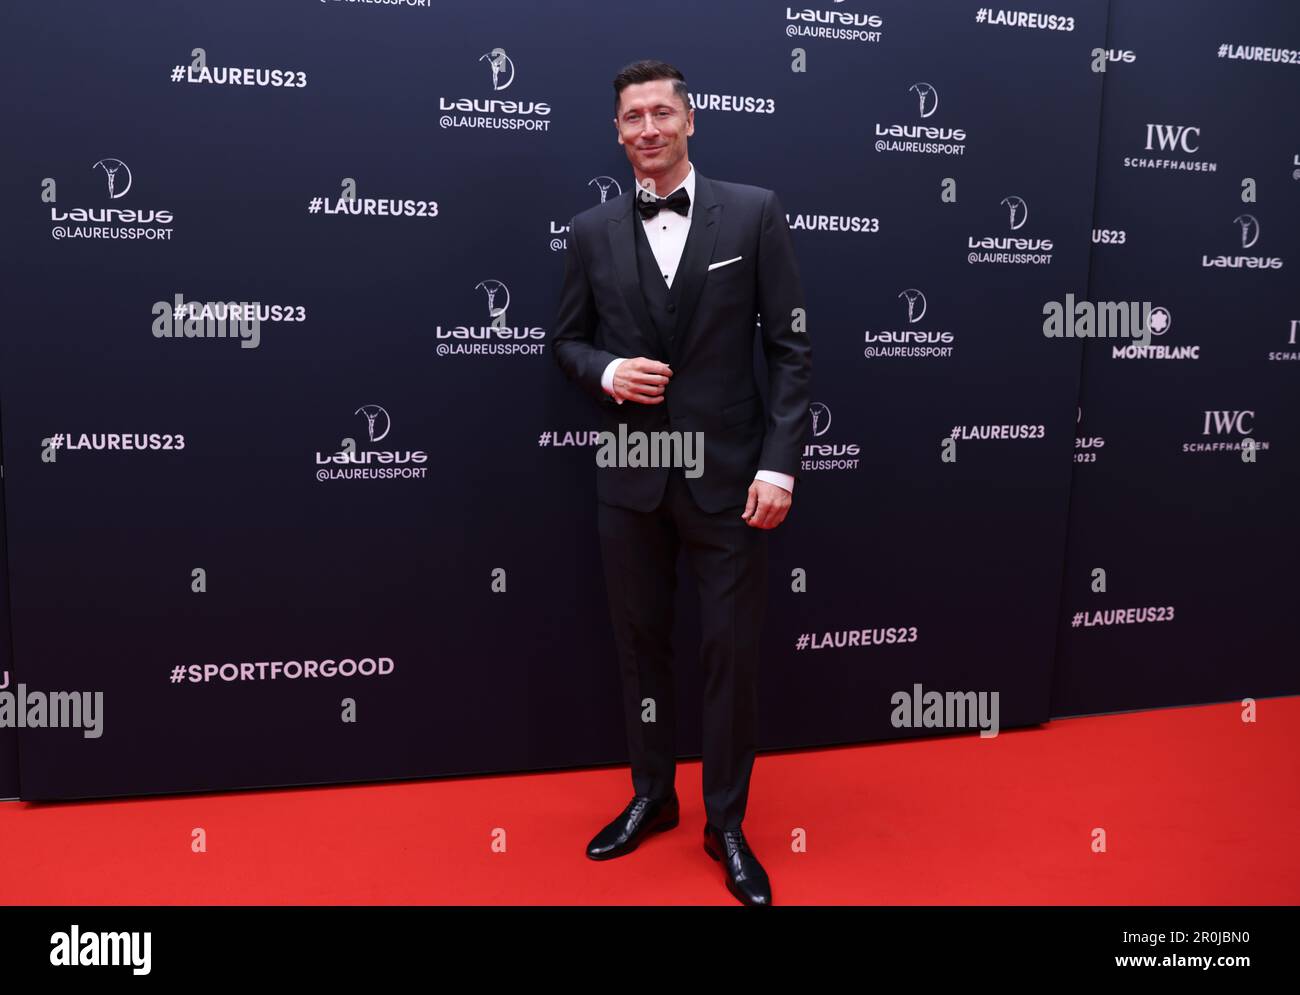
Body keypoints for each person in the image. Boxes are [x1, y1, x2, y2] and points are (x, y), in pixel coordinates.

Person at [551, 59, 812, 906]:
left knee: (729, 653)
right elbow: (565, 343)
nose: (650, 128)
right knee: (641, 649)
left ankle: (726, 821)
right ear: (618, 133)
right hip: (630, 477)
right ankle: (653, 795)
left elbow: (790, 349)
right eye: (634, 117)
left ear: (691, 120)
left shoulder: (755, 211)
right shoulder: (590, 230)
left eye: (663, 112)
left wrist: (779, 463)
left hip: (732, 479)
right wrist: (607, 370)